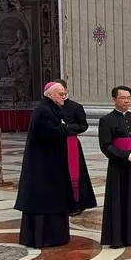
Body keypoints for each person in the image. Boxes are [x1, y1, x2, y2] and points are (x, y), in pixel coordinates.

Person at [14, 82, 76, 248]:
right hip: (42, 167)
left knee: (53, 200)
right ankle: (45, 238)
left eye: (64, 94)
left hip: (50, 164)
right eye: (60, 94)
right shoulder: (43, 111)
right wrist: (68, 128)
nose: (64, 97)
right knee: (44, 202)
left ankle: (55, 236)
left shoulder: (51, 109)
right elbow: (51, 133)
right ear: (49, 95)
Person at [98, 86, 131, 248]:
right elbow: (106, 146)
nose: (126, 101)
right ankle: (119, 238)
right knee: (120, 200)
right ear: (114, 100)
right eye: (123, 98)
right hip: (118, 168)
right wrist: (127, 156)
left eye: (128, 98)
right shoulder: (106, 120)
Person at [57, 80, 97, 216]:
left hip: (71, 142)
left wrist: (68, 128)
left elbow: (83, 125)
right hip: (55, 144)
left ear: (66, 90)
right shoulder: (52, 107)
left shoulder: (75, 107)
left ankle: (77, 203)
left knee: (75, 174)